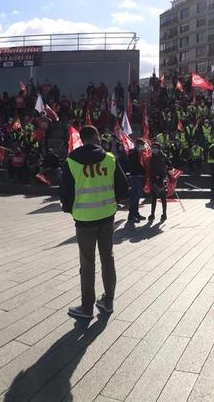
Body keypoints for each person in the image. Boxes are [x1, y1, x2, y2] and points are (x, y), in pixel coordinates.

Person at [59, 125, 128, 320]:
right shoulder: (110, 158)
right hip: (107, 217)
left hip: (84, 220)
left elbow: (65, 192)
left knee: (87, 262)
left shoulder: (71, 161)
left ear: (81, 139)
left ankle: (86, 307)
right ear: (97, 137)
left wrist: (70, 208)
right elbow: (123, 188)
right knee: (108, 258)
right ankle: (108, 301)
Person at [124, 139, 147, 224]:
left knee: (138, 196)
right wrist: (137, 153)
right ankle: (131, 216)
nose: (142, 146)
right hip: (135, 176)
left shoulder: (142, 153)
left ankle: (136, 213)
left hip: (141, 176)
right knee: (134, 196)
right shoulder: (132, 153)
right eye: (141, 145)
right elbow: (131, 163)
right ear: (137, 145)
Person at [147, 142, 169, 223]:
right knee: (153, 198)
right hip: (153, 179)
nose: (154, 149)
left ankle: (164, 214)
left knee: (163, 198)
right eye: (153, 147)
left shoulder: (164, 157)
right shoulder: (150, 157)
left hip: (161, 179)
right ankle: (152, 214)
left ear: (159, 149)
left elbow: (170, 166)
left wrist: (162, 174)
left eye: (156, 147)